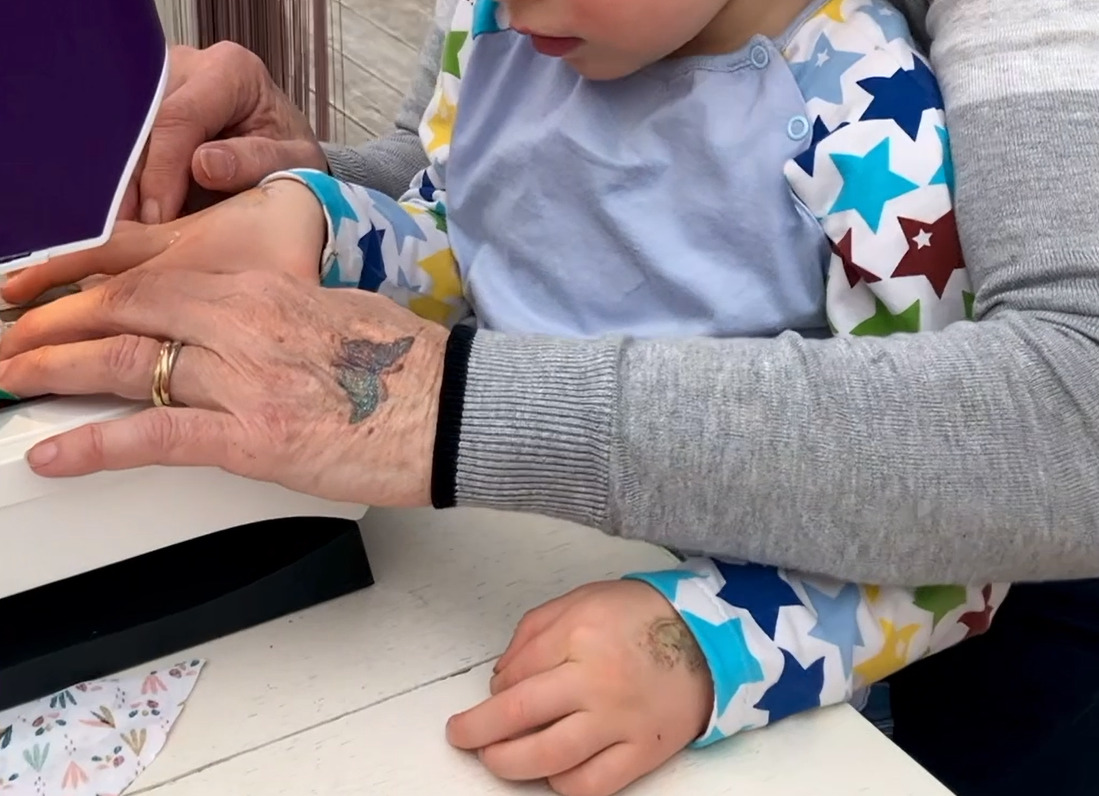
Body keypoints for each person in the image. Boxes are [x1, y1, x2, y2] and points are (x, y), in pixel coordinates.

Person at [0, 0, 1095, 793]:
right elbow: (456, 225)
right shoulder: (499, 30)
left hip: (747, 660)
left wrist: (712, 648)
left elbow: (956, 543)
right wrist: (320, 218)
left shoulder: (870, 126)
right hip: (473, 562)